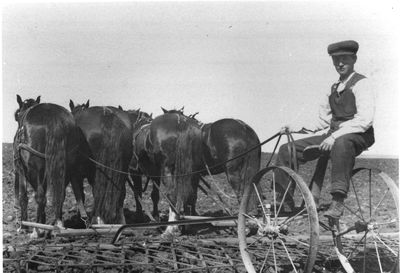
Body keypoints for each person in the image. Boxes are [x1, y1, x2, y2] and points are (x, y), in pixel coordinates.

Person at [276, 40, 375, 220]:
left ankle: (337, 201)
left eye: (344, 59)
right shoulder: (334, 88)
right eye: (336, 59)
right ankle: (283, 201)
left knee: (341, 143)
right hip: (332, 135)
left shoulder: (362, 84)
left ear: (354, 59)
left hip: (358, 135)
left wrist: (335, 136)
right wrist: (294, 128)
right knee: (287, 149)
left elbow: (364, 120)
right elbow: (323, 120)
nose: (340, 63)